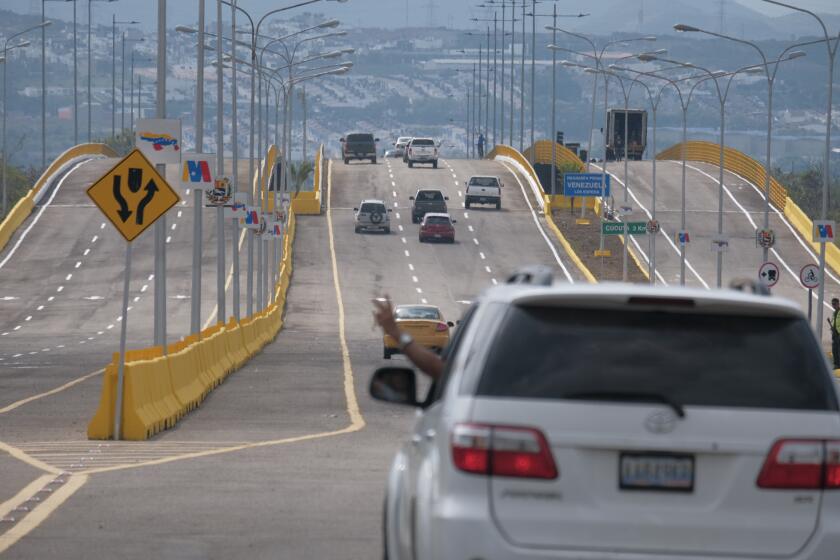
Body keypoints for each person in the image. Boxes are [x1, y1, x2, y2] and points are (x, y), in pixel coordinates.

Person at [373, 296, 445, 380]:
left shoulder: (396, 324)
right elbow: (439, 368)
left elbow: (437, 369)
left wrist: (396, 332)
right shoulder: (438, 323)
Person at [830, 298, 840, 369]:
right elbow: (834, 322)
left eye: (835, 304)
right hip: (835, 334)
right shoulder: (834, 312)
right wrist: (832, 328)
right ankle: (836, 364)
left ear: (838, 304)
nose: (833, 305)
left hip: (839, 334)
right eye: (832, 304)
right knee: (835, 349)